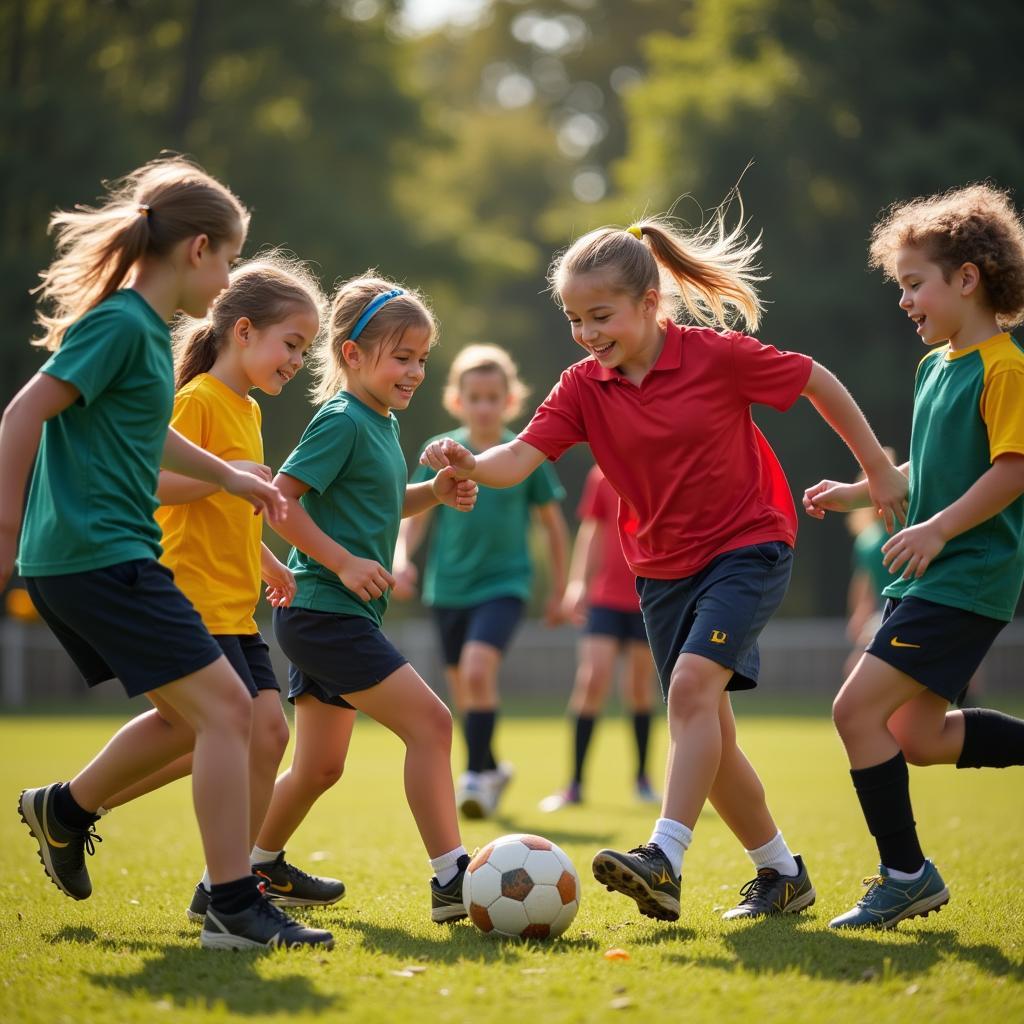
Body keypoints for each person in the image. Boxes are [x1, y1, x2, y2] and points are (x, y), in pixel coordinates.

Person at [421, 205, 907, 924]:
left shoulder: (715, 355)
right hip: (660, 568)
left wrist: (877, 470)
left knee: (686, 691)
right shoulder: (584, 385)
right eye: (574, 320)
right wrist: (467, 460)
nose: (587, 335)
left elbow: (814, 380)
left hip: (749, 542)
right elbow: (518, 457)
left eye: (601, 315)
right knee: (709, 734)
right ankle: (781, 873)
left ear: (649, 303)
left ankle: (664, 858)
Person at [2, 157, 332, 949]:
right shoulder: (120, 323)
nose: (225, 282)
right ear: (196, 249)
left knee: (216, 720)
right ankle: (231, 903)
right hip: (93, 554)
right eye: (225, 260)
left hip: (111, 556)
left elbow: (151, 433)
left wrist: (229, 478)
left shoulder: (145, 336)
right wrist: (6, 535)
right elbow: (20, 416)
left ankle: (77, 813)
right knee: (228, 714)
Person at [92, 253, 346, 921]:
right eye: (291, 344)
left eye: (304, 348)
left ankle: (224, 885)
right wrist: (225, 477)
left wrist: (269, 562)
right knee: (225, 728)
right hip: (191, 599)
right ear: (241, 332)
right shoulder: (199, 398)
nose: (297, 361)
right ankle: (81, 806)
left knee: (268, 737)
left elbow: (232, 505)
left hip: (236, 605)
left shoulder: (249, 410)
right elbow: (150, 481)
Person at [804, 183, 1024, 930]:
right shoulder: (937, 368)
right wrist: (863, 490)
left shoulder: (1004, 369)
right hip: (928, 575)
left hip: (965, 576)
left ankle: (905, 875)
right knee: (917, 738)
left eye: (913, 284)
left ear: (968, 278)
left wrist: (937, 532)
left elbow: (1013, 469)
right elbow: (926, 479)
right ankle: (907, 872)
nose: (904, 301)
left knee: (854, 710)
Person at [259, 272, 479, 924]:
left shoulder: (380, 422)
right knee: (433, 724)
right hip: (323, 613)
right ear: (353, 354)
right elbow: (280, 503)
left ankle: (248, 871)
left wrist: (433, 494)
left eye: (421, 360)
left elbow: (380, 505)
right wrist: (344, 562)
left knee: (320, 767)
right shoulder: (343, 420)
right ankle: (450, 880)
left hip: (332, 615)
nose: (413, 372)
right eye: (401, 357)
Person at [394, 343, 568, 819]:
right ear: (458, 401)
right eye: (476, 397)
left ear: (510, 401)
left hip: (504, 586)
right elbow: (417, 514)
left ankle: (474, 775)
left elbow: (553, 527)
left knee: (476, 672)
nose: (485, 406)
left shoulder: (524, 455)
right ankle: (492, 766)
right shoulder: (440, 450)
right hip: (447, 589)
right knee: (464, 691)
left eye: (494, 397)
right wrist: (402, 559)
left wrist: (561, 590)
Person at [539, 463, 659, 812]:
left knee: (638, 687)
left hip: (649, 596)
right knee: (592, 680)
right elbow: (591, 529)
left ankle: (642, 781)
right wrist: (578, 584)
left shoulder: (663, 466)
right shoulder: (602, 473)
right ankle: (574, 784)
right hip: (605, 599)